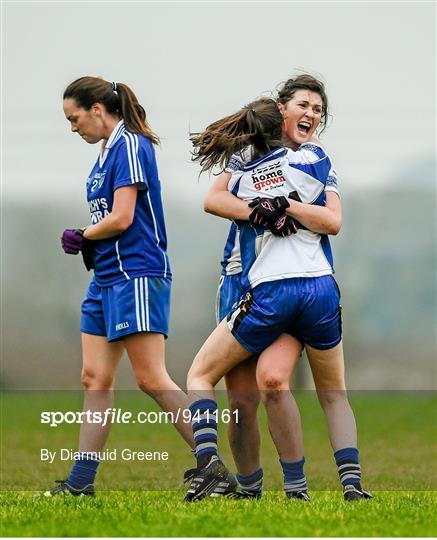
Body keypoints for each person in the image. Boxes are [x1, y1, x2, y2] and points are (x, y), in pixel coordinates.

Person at [185, 93, 371, 502]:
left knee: (270, 381)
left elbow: (333, 220)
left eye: (319, 109)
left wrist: (285, 206)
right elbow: (213, 200)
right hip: (241, 278)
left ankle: (295, 487)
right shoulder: (248, 153)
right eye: (304, 105)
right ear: (281, 109)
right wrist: (257, 211)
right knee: (241, 397)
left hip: (288, 285)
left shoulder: (317, 157)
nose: (311, 114)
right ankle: (248, 490)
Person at [46, 76, 194, 496]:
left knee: (150, 378)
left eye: (74, 118)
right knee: (94, 378)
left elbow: (123, 217)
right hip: (105, 279)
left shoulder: (130, 145)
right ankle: (80, 483)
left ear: (96, 109)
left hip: (136, 274)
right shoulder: (104, 155)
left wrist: (83, 233)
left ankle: (212, 464)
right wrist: (90, 241)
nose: (73, 127)